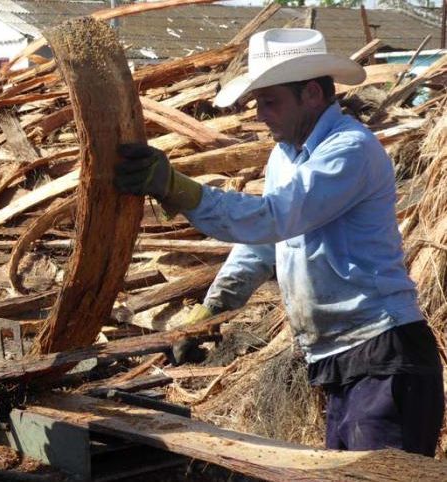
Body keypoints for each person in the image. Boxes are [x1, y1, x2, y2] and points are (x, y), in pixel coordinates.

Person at [115, 29, 444, 456]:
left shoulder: (350, 150)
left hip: (383, 354)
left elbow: (275, 215)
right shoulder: (284, 156)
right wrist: (214, 307)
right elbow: (264, 242)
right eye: (257, 103)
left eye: (270, 102)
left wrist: (178, 189)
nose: (260, 114)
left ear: (311, 93)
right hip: (338, 358)